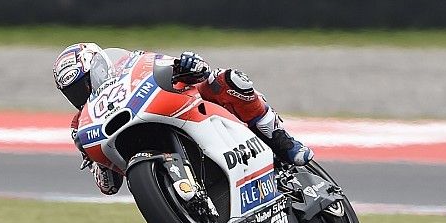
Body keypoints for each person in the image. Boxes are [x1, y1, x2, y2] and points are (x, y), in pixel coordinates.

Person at [53, 43, 313, 196]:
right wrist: (97, 163)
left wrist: (187, 65)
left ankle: (280, 140)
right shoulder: (82, 125)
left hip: (175, 106)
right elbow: (108, 186)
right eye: (73, 92)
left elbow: (170, 66)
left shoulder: (128, 65)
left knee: (229, 80)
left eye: (84, 84)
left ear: (99, 67)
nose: (82, 94)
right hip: (145, 149)